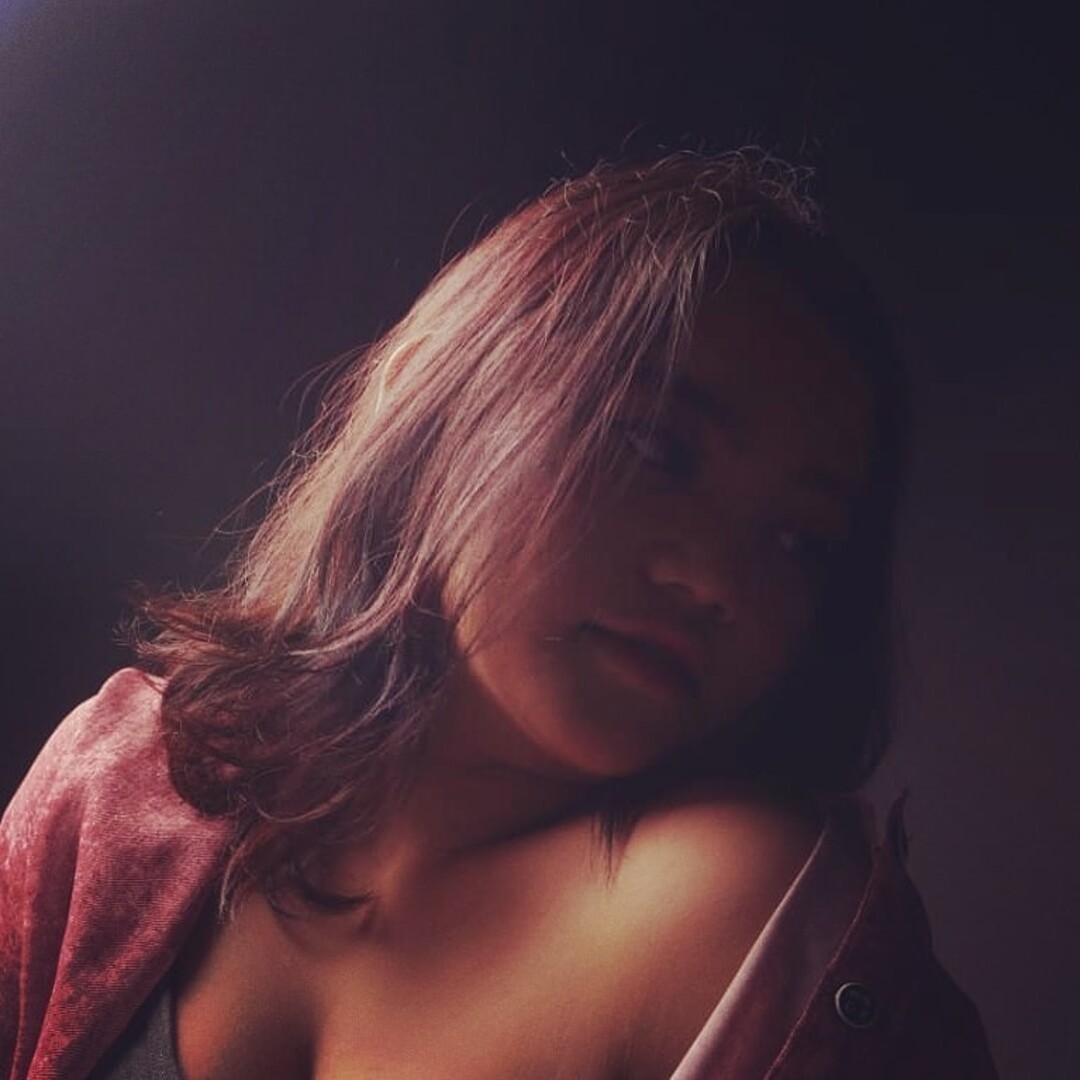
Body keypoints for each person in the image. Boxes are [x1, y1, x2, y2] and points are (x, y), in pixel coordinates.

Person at [1, 151, 998, 1079]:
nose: (715, 581)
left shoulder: (757, 915)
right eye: (655, 450)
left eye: (799, 539)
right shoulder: (125, 779)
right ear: (435, 401)